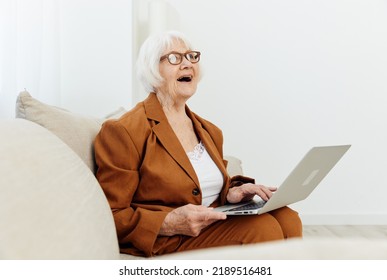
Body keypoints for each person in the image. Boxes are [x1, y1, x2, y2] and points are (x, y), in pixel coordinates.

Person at [94, 30, 302, 257]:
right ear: (152, 69)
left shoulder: (209, 131)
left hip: (211, 221)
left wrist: (232, 193)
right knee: (262, 228)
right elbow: (110, 213)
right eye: (174, 58)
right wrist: (168, 222)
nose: (187, 64)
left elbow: (199, 186)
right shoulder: (124, 130)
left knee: (287, 217)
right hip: (169, 238)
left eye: (191, 57)